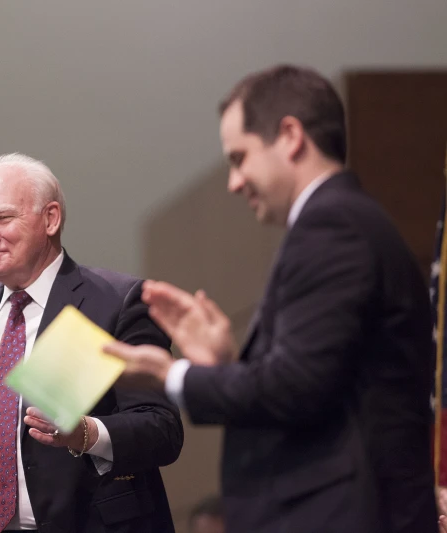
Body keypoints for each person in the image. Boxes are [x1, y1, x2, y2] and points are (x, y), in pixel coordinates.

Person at [104, 65, 437, 533]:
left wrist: (172, 374)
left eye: (239, 158)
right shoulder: (343, 222)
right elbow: (319, 384)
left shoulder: (332, 226)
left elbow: (296, 388)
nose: (234, 182)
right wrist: (224, 366)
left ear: (290, 136)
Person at [0, 153, 183, 533]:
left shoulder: (115, 303)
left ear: (50, 219)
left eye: (2, 218)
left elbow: (161, 431)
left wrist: (86, 433)